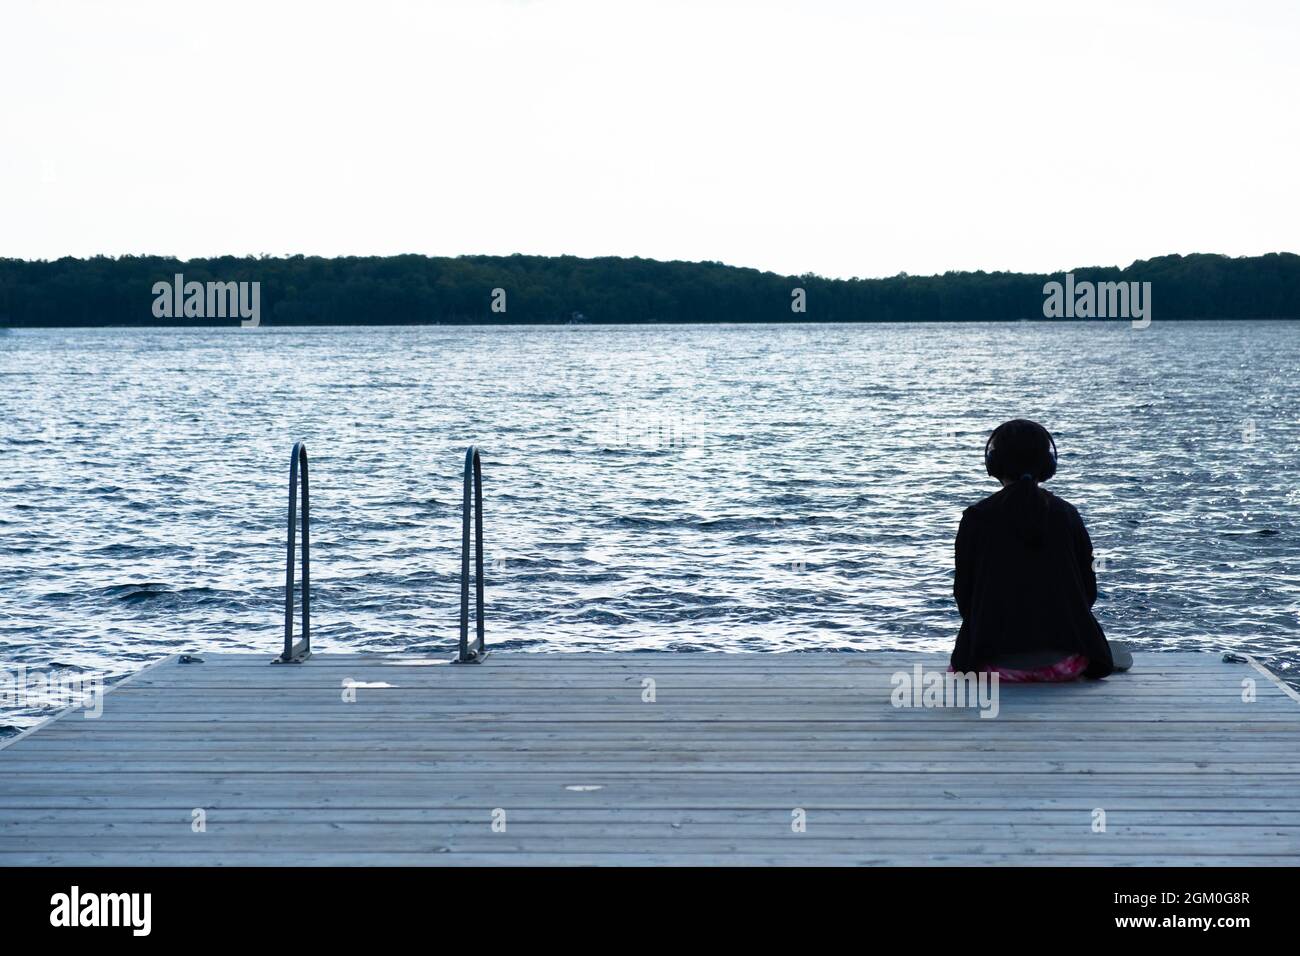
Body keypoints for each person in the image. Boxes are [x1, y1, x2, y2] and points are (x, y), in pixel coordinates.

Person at [950, 419, 1131, 682]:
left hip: (989, 667)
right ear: (1048, 464)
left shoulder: (976, 518)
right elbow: (1087, 592)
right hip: (1065, 664)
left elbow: (964, 597)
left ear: (993, 463)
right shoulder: (1067, 514)